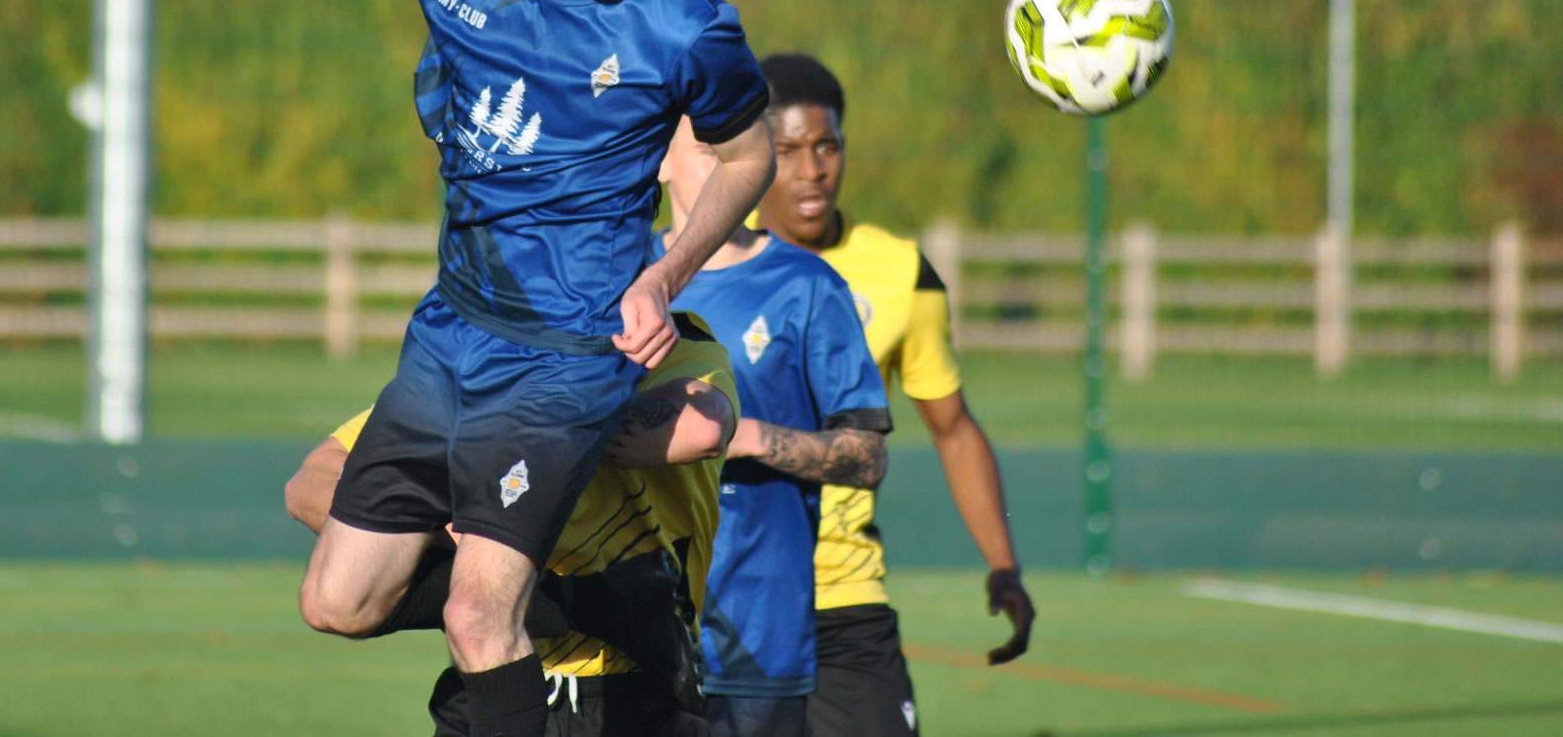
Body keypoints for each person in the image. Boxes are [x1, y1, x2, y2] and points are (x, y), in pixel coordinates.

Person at [39, 0, 776, 737]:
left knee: (477, 616)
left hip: (567, 352)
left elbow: (749, 156)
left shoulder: (682, 21)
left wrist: (665, 272)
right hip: (453, 333)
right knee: (338, 598)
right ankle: (597, 601)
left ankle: (557, 615)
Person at [286, 308, 740, 736]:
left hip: (631, 692)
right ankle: (592, 604)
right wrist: (431, 536)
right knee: (348, 584)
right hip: (488, 682)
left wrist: (508, 427)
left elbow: (702, 430)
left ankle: (593, 606)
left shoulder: (668, 341)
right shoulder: (485, 353)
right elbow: (309, 482)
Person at [753, 53, 1035, 737]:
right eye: (787, 151)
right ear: (752, 155)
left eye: (826, 147)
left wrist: (1003, 563)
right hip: (726, 597)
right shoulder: (699, 262)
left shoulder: (902, 272)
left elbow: (953, 429)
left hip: (846, 597)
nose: (812, 170)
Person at [658, 115, 892, 737]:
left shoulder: (808, 286)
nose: (728, 166)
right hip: (629, 633)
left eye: (741, 151)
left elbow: (869, 458)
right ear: (660, 161)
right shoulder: (618, 278)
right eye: (707, 150)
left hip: (759, 633)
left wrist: (750, 438)